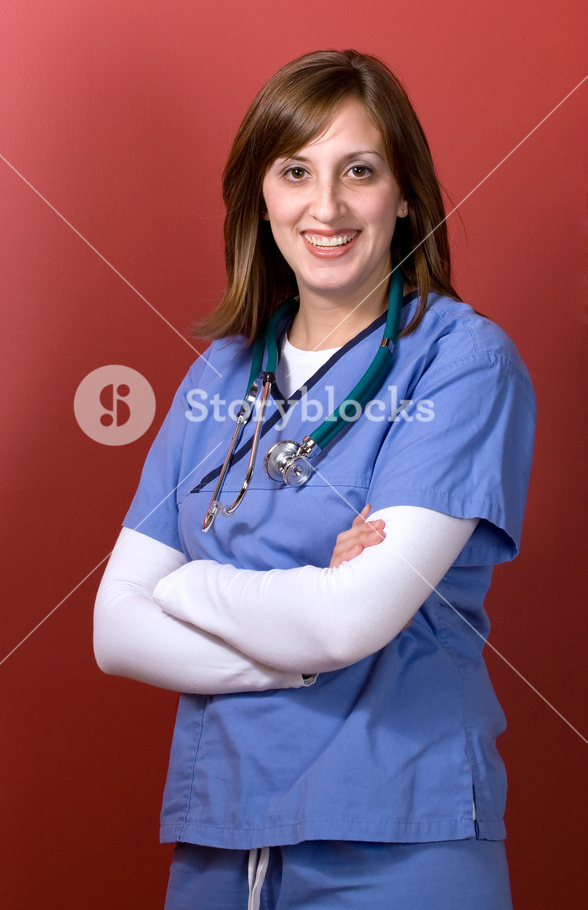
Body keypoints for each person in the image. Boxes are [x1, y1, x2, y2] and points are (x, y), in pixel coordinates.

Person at [93, 50, 536, 909]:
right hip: (221, 842)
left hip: (397, 839)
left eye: (358, 171)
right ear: (261, 197)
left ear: (403, 195)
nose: (325, 207)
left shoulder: (460, 362)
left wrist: (184, 586)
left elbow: (345, 623)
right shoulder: (219, 376)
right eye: (295, 172)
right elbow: (116, 631)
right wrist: (296, 645)